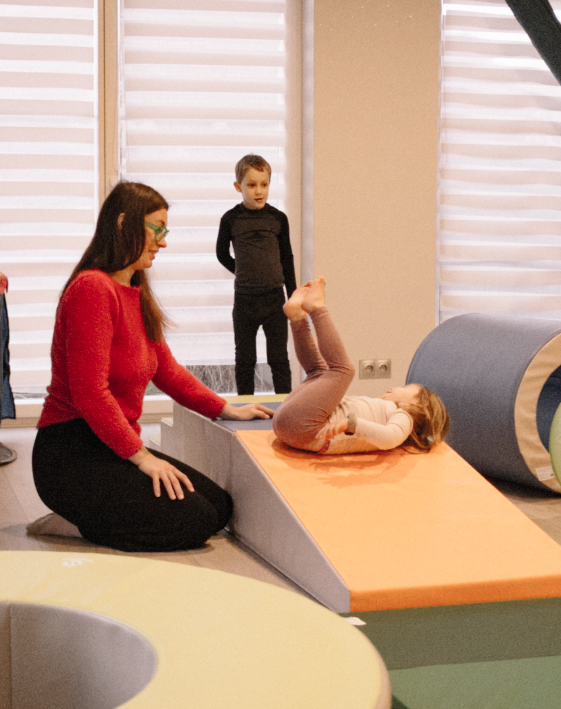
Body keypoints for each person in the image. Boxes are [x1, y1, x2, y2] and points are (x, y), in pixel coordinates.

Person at [32, 181, 271, 552]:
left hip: (111, 445)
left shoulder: (135, 290)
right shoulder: (92, 290)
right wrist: (142, 458)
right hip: (71, 452)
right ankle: (76, 523)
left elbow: (167, 371)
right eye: (157, 229)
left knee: (219, 507)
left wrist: (225, 409)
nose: (163, 242)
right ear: (125, 222)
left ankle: (94, 515)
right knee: (194, 521)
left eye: (165, 231)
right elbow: (90, 393)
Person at [273, 277, 449, 456]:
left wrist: (352, 424)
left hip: (306, 429)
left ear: (417, 403)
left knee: (343, 370)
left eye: (406, 388)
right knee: (319, 372)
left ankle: (317, 309)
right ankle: (297, 318)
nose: (394, 387)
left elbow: (389, 438)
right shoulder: (385, 410)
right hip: (295, 424)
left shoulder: (405, 416)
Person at [216, 154, 296, 395]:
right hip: (245, 301)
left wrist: (293, 296)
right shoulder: (230, 219)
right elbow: (221, 254)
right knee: (245, 359)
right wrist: (241, 271)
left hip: (274, 300)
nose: (258, 191)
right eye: (251, 185)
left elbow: (287, 259)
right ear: (238, 187)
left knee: (279, 358)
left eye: (264, 184)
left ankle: (285, 406)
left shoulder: (278, 219)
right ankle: (245, 407)